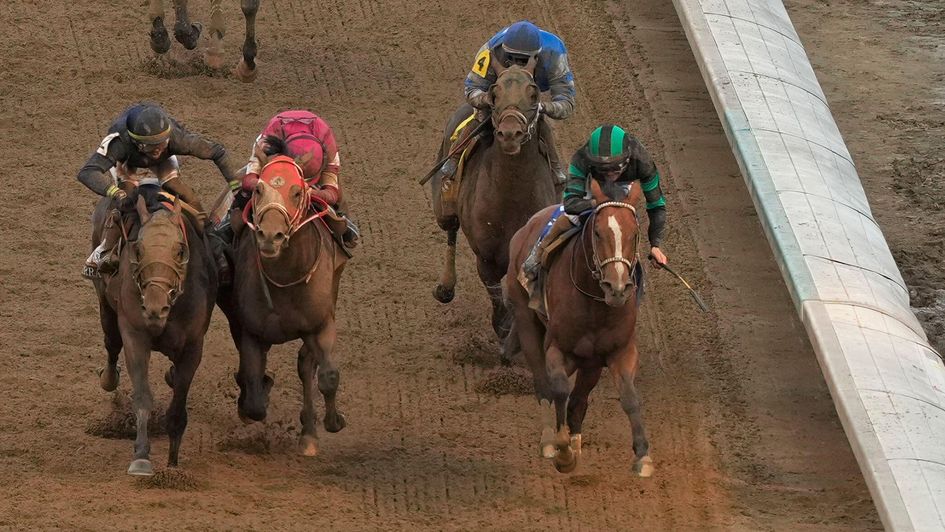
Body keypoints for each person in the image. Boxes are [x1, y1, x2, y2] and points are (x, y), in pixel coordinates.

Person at [77, 102, 241, 279]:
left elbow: (217, 152)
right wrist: (115, 192)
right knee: (127, 199)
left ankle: (211, 243)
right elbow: (87, 172)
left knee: (183, 193)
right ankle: (105, 249)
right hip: (127, 162)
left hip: (159, 158)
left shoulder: (177, 139)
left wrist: (236, 189)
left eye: (161, 143)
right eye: (150, 145)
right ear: (135, 141)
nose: (157, 148)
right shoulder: (119, 142)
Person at [523, 124, 669, 306]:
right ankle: (536, 257)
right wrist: (597, 204)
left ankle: (637, 283)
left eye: (615, 168)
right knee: (568, 219)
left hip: (624, 192)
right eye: (603, 169)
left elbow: (656, 205)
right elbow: (570, 203)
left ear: (627, 159)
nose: (609, 174)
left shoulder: (643, 161)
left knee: (626, 231)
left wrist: (655, 245)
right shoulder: (581, 157)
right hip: (592, 190)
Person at [432, 20, 576, 188]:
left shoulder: (555, 53)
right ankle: (454, 157)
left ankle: (555, 167)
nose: (516, 65)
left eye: (523, 60)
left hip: (532, 89)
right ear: (503, 51)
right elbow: (472, 89)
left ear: (537, 55)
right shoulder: (490, 51)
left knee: (538, 118)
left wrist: (542, 107)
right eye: (511, 58)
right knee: (481, 115)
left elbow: (566, 102)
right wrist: (487, 99)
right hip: (497, 86)